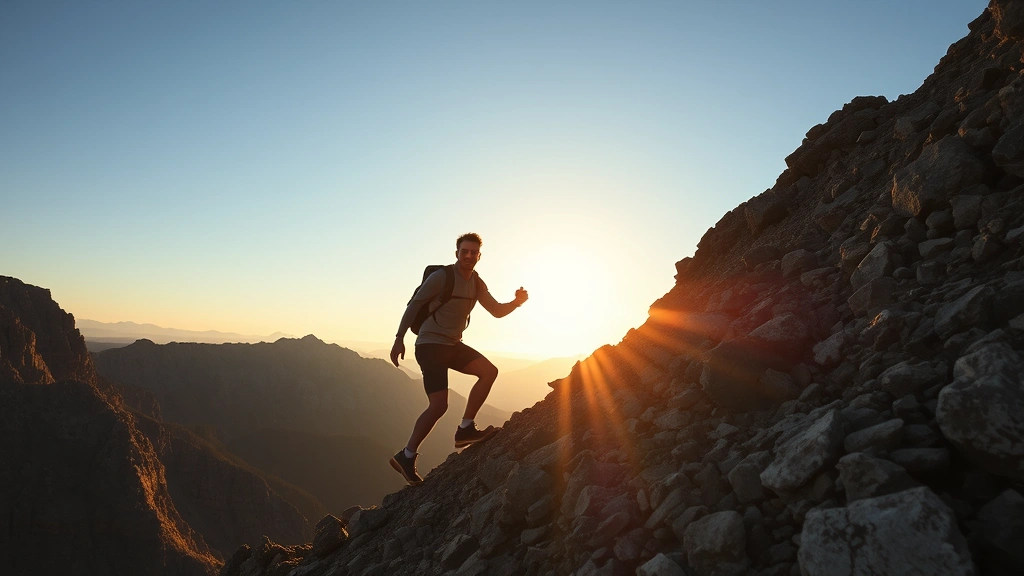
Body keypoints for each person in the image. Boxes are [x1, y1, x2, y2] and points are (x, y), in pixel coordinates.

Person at [389, 232, 528, 485]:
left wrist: (517, 302)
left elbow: (496, 311)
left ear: (479, 256)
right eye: (464, 251)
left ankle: (465, 429)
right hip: (430, 345)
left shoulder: (476, 282)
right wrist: (399, 339)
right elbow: (413, 305)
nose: (468, 256)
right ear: (456, 254)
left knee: (489, 371)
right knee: (439, 405)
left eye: (473, 252)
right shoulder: (441, 277)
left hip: (453, 345)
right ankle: (406, 456)